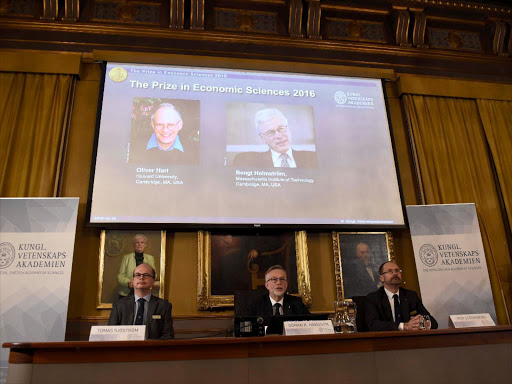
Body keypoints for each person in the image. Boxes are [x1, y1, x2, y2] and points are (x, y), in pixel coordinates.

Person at [365, 261, 438, 331]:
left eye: (397, 271)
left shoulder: (411, 296)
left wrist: (420, 322)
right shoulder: (373, 298)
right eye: (390, 271)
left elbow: (433, 323)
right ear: (381, 278)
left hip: (411, 340)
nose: (395, 274)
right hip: (385, 341)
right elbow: (372, 324)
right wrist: (404, 326)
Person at [233, 108, 317, 168]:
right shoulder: (245, 161)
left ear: (289, 129)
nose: (279, 136)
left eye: (281, 129)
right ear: (262, 138)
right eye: (270, 133)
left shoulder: (313, 158)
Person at [109, 263, 174, 339]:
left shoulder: (164, 306)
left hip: (152, 349)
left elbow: (167, 336)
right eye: (137, 275)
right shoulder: (119, 305)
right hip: (125, 349)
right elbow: (111, 334)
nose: (141, 278)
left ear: (153, 281)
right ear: (133, 280)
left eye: (146, 275)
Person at [131, 102, 198, 165]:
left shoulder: (195, 151)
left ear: (179, 125)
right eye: (159, 124)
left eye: (171, 124)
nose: (165, 130)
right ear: (153, 125)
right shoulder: (134, 148)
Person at [117, 234, 156, 298]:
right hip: (126, 293)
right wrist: (129, 282)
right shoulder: (126, 258)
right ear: (134, 245)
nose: (139, 244)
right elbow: (120, 276)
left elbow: (154, 275)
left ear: (145, 245)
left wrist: (143, 281)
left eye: (142, 242)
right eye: (137, 242)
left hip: (144, 293)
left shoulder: (150, 258)